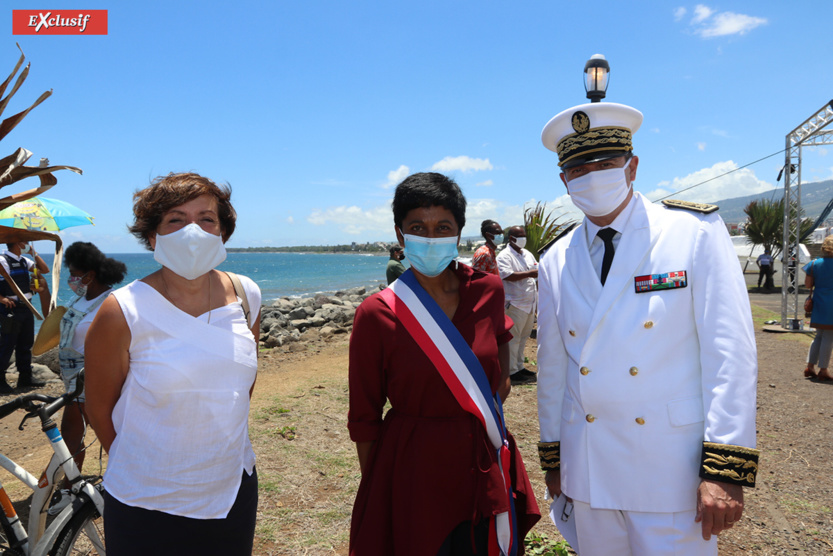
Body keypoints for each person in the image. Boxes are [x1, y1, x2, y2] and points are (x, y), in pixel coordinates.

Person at [536, 101, 758, 555]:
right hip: (590, 466)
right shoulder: (555, 259)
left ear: (632, 166)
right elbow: (553, 369)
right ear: (564, 181)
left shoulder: (691, 231)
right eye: (578, 169)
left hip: (669, 467)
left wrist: (724, 467)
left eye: (605, 163)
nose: (592, 176)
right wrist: (555, 458)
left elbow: (729, 352)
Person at [348, 172, 539, 555]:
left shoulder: (487, 291)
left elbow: (500, 380)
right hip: (413, 468)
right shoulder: (377, 313)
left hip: (483, 456)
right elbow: (365, 418)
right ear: (401, 236)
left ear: (458, 234)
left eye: (443, 227)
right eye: (418, 227)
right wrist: (384, 485)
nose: (430, 237)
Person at [85, 172, 262, 555]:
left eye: (206, 218)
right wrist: (142, 465)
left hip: (231, 489)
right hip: (145, 501)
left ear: (223, 231)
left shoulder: (247, 295)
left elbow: (238, 387)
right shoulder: (122, 310)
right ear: (153, 236)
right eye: (176, 220)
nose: (193, 230)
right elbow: (98, 407)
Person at [47, 242, 127, 514]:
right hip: (72, 377)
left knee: (76, 430)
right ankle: (78, 486)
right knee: (87, 431)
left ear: (90, 275)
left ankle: (73, 488)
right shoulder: (78, 299)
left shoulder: (111, 302)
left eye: (74, 274)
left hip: (95, 375)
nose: (71, 280)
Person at [0, 241, 50, 393]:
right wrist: (1, 298)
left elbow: (45, 270)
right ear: (18, 243)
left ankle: (25, 378)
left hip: (27, 306)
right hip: (11, 308)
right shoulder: (2, 260)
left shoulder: (24, 260)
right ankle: (0, 381)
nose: (28, 244)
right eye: (25, 242)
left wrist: (33, 253)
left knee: (25, 343)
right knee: (7, 344)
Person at [497, 225, 538, 385]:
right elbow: (506, 275)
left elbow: (536, 268)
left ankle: (519, 366)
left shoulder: (527, 254)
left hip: (529, 303)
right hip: (514, 303)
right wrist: (530, 274)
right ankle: (512, 371)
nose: (523, 239)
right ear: (511, 238)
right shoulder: (504, 256)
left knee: (523, 337)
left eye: (524, 235)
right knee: (513, 339)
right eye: (519, 236)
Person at [803, 236, 833, 381]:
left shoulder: (814, 264)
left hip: (819, 302)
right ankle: (823, 369)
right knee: (828, 336)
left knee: (819, 335)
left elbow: (808, 285)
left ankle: (810, 366)